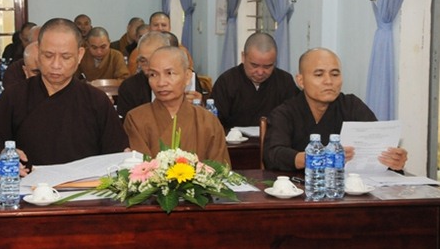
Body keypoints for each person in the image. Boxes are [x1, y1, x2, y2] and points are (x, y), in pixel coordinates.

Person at [0, 18, 128, 167]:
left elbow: (116, 155)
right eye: (48, 55)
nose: (56, 65)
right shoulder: (13, 97)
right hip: (28, 181)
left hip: (85, 181)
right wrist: (3, 158)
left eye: (65, 57)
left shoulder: (97, 101)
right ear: (38, 52)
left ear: (79, 55)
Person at [263, 48, 408, 171]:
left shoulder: (352, 106)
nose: (329, 81)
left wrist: (394, 160)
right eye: (319, 74)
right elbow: (273, 154)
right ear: (301, 81)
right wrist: (316, 158)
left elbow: (378, 143)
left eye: (335, 74)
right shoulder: (285, 113)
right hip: (301, 188)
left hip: (349, 187)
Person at [124, 46, 230, 163]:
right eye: (153, 75)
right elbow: (139, 169)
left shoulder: (208, 121)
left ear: (187, 76)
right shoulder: (136, 119)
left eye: (169, 73)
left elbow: (221, 169)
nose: (161, 83)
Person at [211, 32, 299, 132]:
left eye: (267, 66)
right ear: (243, 57)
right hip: (233, 141)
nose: (260, 72)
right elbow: (214, 123)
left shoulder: (284, 81)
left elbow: (294, 119)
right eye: (254, 65)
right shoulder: (227, 81)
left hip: (274, 140)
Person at [117, 32, 202, 119]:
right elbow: (127, 123)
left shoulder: (185, 77)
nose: (149, 67)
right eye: (143, 61)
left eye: (154, 59)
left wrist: (198, 103)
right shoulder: (129, 87)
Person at [126, 12, 194, 75]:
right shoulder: (139, 51)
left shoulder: (181, 50)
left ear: (169, 27)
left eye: (164, 25)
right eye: (156, 25)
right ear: (149, 28)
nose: (160, 28)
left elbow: (188, 73)